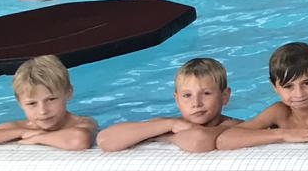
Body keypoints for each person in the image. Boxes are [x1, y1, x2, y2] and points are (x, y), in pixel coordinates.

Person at [216, 41, 308, 149]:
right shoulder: (278, 112)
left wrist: (306, 135)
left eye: (307, 83)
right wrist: (284, 135)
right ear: (274, 87)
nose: (299, 94)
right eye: (288, 86)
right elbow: (225, 140)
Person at [96, 57, 238, 153]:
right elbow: (105, 139)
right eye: (187, 95)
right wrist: (170, 125)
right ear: (177, 100)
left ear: (224, 96)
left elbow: (198, 140)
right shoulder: (169, 124)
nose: (196, 103)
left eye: (206, 93)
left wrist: (164, 136)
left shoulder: (232, 125)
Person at [0, 56, 96, 151]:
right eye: (32, 103)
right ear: (19, 102)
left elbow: (78, 140)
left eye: (51, 99)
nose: (43, 111)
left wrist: (38, 137)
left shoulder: (82, 123)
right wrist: (22, 132)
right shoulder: (22, 127)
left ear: (68, 93)